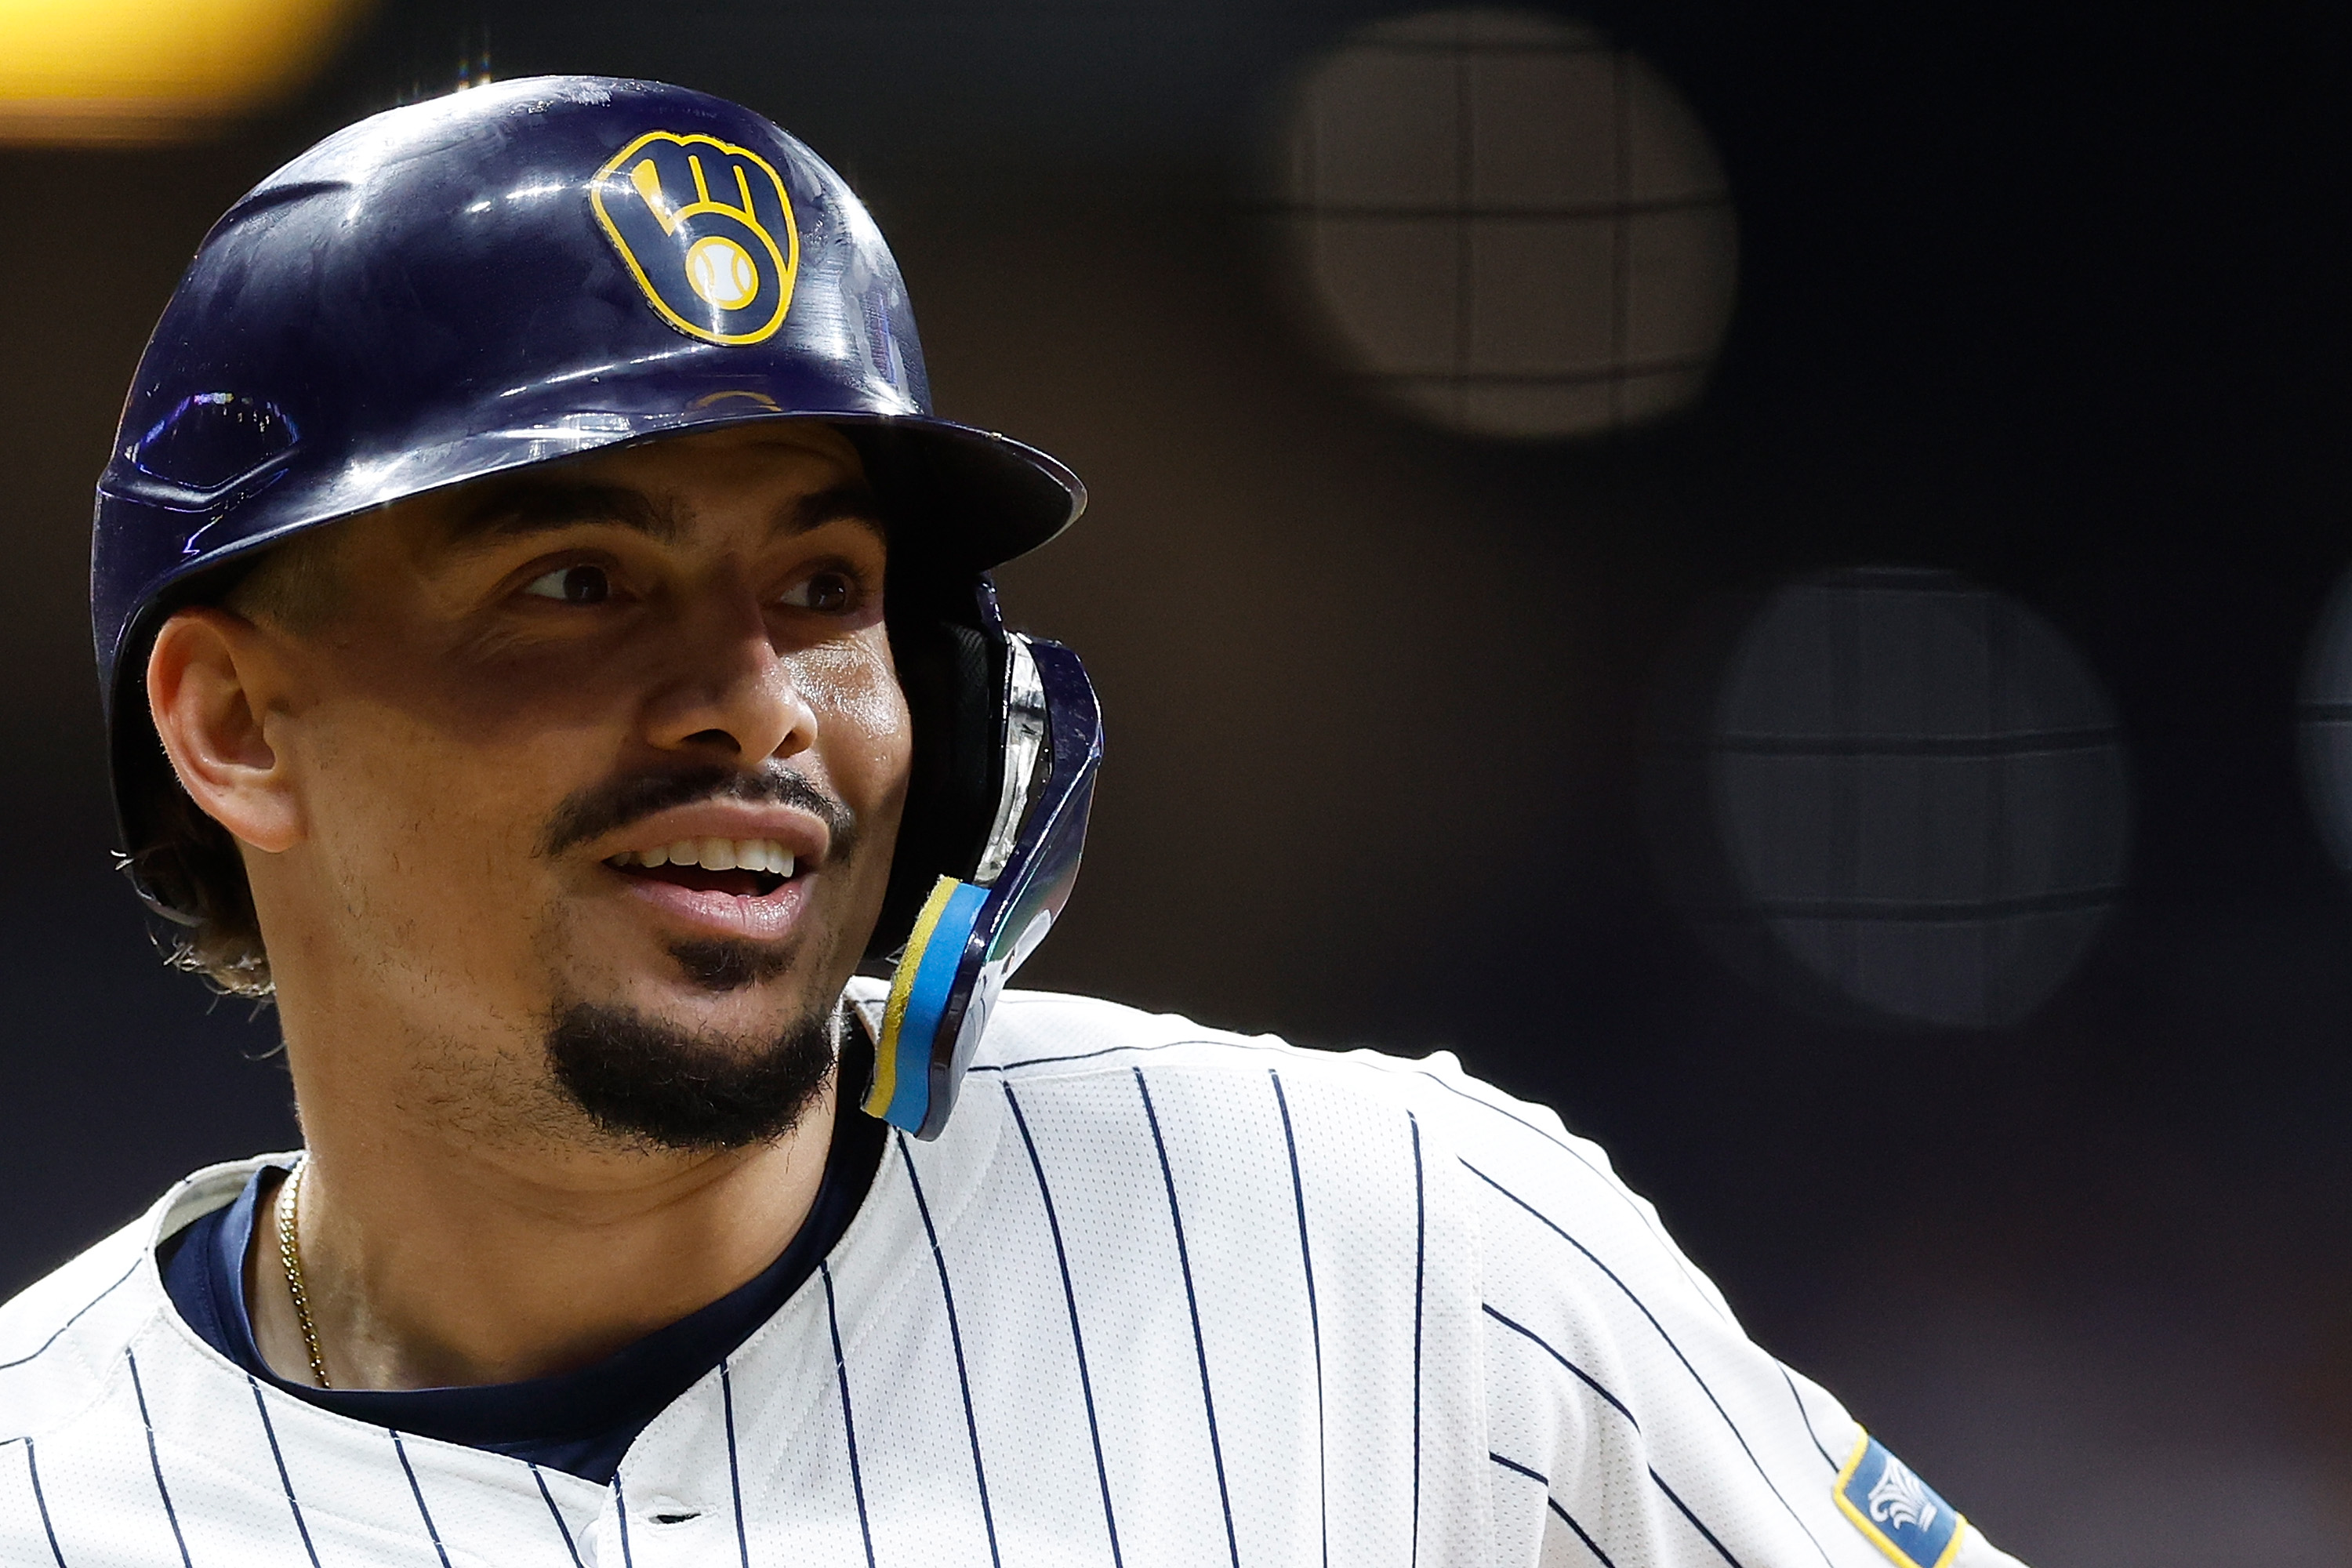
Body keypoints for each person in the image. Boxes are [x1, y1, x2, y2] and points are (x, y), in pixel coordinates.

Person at [0, 77, 2026, 1568]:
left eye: (824, 592)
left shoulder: (1392, 1245)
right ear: (238, 727)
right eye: (580, 583)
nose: (759, 702)